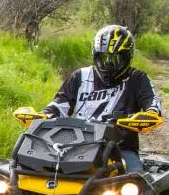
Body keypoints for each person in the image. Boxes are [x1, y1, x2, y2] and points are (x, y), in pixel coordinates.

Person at [41, 25, 162, 174]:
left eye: (115, 59)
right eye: (103, 58)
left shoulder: (138, 78)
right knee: (39, 169)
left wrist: (150, 114)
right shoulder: (79, 76)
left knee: (135, 178)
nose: (108, 64)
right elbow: (60, 104)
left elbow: (153, 103)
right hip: (76, 145)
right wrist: (44, 114)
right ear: (95, 55)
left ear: (127, 57)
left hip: (120, 149)